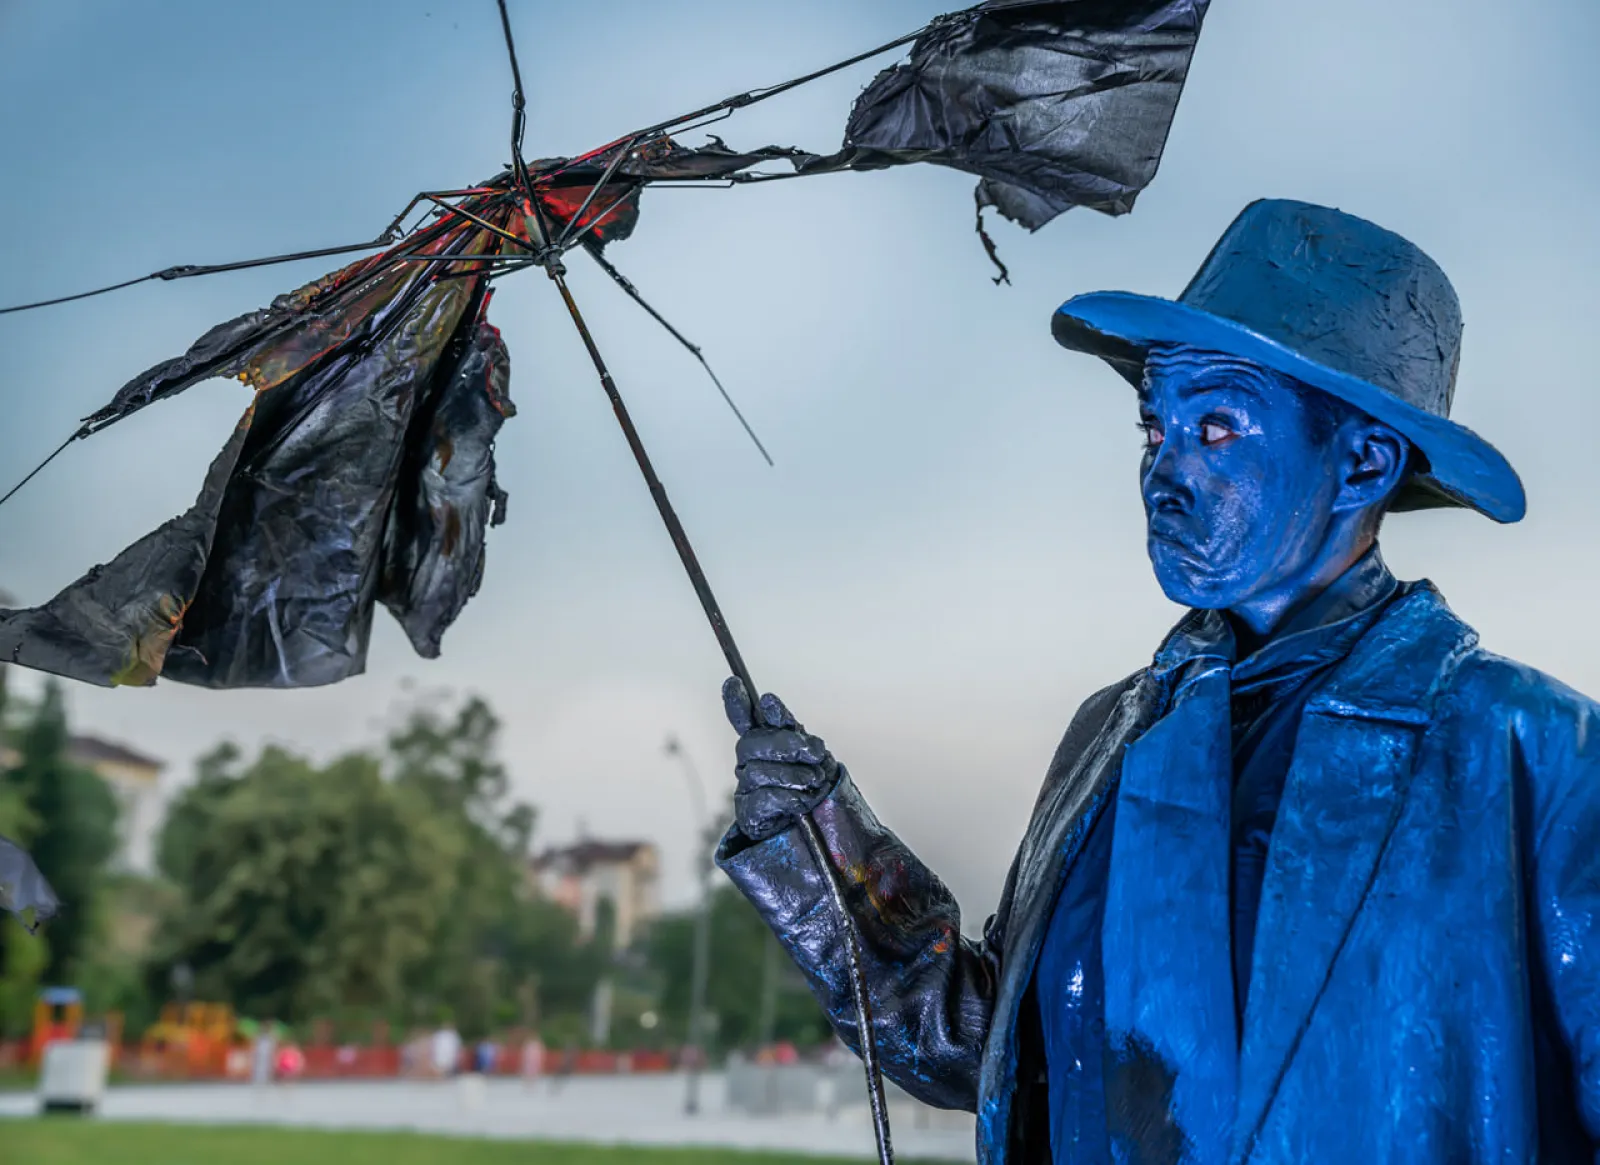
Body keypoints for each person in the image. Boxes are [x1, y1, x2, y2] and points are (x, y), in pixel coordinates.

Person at [715, 200, 1600, 1163]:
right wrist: (821, 849)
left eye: (1215, 428)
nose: (1162, 474)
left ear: (1363, 462)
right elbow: (995, 1051)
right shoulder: (1117, 734)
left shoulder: (1533, 756)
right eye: (1153, 429)